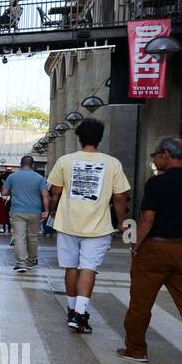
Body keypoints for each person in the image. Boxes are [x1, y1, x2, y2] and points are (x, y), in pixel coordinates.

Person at [117, 137, 182, 364]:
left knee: (141, 303)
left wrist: (135, 246)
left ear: (166, 154)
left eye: (156, 155)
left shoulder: (156, 184)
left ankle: (136, 349)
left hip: (154, 249)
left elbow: (147, 219)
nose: (155, 160)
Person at [48, 117, 130, 335]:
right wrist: (121, 221)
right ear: (100, 139)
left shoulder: (65, 161)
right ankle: (80, 314)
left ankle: (71, 310)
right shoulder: (112, 163)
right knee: (88, 268)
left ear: (78, 138)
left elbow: (55, 192)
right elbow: (120, 196)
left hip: (67, 223)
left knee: (70, 267)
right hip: (98, 226)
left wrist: (52, 210)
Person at [3, 155, 50, 272]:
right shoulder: (39, 178)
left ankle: (21, 263)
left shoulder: (12, 176)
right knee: (32, 237)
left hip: (17, 211)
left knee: (19, 237)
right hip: (35, 212)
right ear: (33, 165)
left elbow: (4, 193)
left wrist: (13, 190)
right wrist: (46, 210)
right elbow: (45, 195)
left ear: (20, 164)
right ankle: (32, 260)